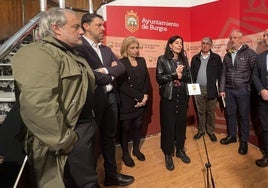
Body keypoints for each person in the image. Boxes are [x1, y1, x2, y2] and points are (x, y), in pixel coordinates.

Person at [12, 8, 99, 188]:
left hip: (81, 133)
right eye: (75, 27)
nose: (82, 31)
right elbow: (38, 105)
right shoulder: (38, 54)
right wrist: (65, 141)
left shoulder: (71, 53)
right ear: (57, 28)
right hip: (65, 140)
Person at [76, 13, 134, 186]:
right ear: (86, 26)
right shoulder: (80, 48)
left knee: (109, 139)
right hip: (93, 102)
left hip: (111, 99)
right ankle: (90, 182)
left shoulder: (106, 49)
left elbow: (122, 68)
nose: (103, 28)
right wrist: (109, 72)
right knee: (90, 143)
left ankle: (111, 176)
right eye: (99, 25)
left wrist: (104, 71)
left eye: (103, 25)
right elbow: (90, 76)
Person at [156, 35, 191, 171]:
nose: (179, 45)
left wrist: (183, 75)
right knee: (168, 125)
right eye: (177, 43)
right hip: (168, 97)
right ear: (170, 45)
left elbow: (188, 76)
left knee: (181, 124)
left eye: (181, 43)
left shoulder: (184, 59)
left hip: (182, 95)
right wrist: (175, 74)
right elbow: (159, 78)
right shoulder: (162, 59)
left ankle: (180, 149)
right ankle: (168, 153)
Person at [219, 29, 257, 155]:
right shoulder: (227, 55)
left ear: (241, 39)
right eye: (231, 37)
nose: (232, 40)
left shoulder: (250, 53)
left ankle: (244, 141)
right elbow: (223, 73)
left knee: (244, 116)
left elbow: (254, 73)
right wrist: (222, 89)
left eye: (235, 37)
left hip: (243, 90)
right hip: (229, 90)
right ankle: (232, 136)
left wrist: (248, 88)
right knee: (230, 114)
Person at [117, 36, 150, 167]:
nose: (136, 50)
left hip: (142, 100)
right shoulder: (121, 62)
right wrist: (139, 97)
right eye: (132, 48)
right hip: (127, 102)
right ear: (126, 48)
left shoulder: (142, 61)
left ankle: (136, 150)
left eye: (137, 47)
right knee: (125, 128)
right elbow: (122, 85)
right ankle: (125, 153)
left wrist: (145, 96)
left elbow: (146, 80)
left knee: (138, 126)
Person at [190, 37, 222, 142]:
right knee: (201, 112)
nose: (205, 45)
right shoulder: (195, 58)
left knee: (211, 112)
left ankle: (211, 132)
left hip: (211, 89)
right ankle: (201, 131)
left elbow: (220, 75)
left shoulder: (216, 58)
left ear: (211, 45)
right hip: (198, 89)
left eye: (207, 43)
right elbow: (191, 75)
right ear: (201, 44)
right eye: (203, 43)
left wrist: (221, 89)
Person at [252, 28, 268, 167]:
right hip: (263, 101)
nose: (264, 37)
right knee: (266, 129)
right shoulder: (260, 57)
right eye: (264, 35)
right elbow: (255, 75)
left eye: (267, 35)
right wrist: (261, 89)